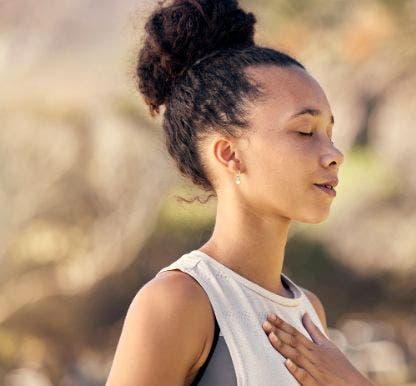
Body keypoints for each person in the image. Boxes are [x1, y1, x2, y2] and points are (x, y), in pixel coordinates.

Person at [105, 1, 373, 385]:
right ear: (229, 154)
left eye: (329, 134)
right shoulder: (180, 301)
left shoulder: (308, 311)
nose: (334, 155)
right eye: (304, 132)